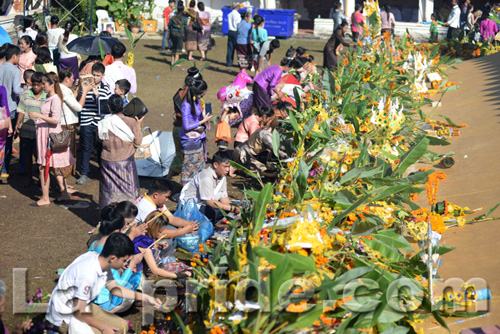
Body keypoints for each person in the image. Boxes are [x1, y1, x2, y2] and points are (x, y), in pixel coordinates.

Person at [46, 233, 162, 334]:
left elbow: (115, 288)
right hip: (67, 315)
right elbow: (78, 312)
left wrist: (146, 297)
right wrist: (103, 327)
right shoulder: (87, 274)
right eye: (124, 260)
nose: (125, 265)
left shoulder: (102, 261)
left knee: (122, 326)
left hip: (84, 306)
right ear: (113, 258)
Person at [88, 206, 145, 314]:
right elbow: (118, 286)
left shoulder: (94, 244)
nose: (124, 232)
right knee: (136, 279)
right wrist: (132, 264)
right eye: (124, 228)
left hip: (90, 293)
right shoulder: (108, 253)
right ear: (116, 230)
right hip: (101, 300)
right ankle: (109, 312)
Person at [29, 72, 74, 206]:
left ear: (52, 84)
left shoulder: (55, 99)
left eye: (44, 83)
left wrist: (39, 115)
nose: (42, 86)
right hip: (47, 134)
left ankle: (45, 197)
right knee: (55, 167)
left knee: (44, 167)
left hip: (49, 136)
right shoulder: (52, 98)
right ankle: (63, 193)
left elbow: (55, 120)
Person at [98, 94, 144, 211]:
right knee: (129, 189)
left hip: (107, 160)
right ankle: (129, 212)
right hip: (125, 160)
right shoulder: (131, 121)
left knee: (109, 190)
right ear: (123, 105)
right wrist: (138, 125)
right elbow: (138, 141)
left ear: (109, 108)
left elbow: (99, 139)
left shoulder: (103, 122)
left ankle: (110, 212)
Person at [181, 151, 240, 223]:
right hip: (193, 207)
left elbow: (223, 197)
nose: (227, 170)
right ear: (215, 164)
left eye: (229, 167)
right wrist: (231, 208)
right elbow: (210, 202)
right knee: (216, 212)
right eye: (225, 166)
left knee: (228, 208)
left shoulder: (222, 175)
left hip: (206, 203)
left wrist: (233, 207)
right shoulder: (206, 177)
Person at [77, 62, 112, 185]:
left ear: (103, 75)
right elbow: (81, 103)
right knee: (86, 148)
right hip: (86, 121)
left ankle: (102, 172)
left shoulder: (106, 89)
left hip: (100, 124)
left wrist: (97, 97)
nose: (95, 78)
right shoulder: (85, 86)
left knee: (101, 148)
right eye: (93, 75)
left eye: (97, 75)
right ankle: (84, 173)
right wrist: (84, 90)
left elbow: (105, 110)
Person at [133, 211, 192, 279]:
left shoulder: (140, 233)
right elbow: (155, 270)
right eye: (160, 231)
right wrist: (179, 275)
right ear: (153, 228)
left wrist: (157, 244)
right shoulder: (144, 245)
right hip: (137, 275)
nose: (161, 233)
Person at [167, 67, 202, 180]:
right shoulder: (192, 98)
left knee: (179, 156)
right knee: (188, 160)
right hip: (187, 132)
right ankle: (185, 186)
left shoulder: (178, 93)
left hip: (176, 128)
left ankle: (167, 179)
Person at [15, 72, 46, 186]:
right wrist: (17, 124)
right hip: (26, 131)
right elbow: (21, 111)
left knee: (39, 156)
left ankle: (41, 177)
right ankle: (29, 177)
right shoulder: (26, 94)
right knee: (27, 155)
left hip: (41, 132)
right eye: (34, 85)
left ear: (42, 84)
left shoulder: (47, 96)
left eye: (38, 85)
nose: (36, 87)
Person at [180, 78, 212, 184]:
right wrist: (202, 121)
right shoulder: (186, 105)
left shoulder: (196, 100)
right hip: (189, 140)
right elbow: (186, 126)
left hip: (197, 137)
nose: (202, 97)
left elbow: (198, 114)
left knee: (198, 166)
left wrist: (204, 116)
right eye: (201, 95)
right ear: (195, 93)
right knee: (188, 168)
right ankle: (184, 195)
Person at [0, 45, 23, 178]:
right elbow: (16, 90)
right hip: (10, 109)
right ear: (14, 56)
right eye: (18, 56)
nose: (19, 58)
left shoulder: (0, 67)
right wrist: (25, 91)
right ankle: (4, 169)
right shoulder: (15, 71)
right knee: (8, 140)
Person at [59, 68, 82, 177]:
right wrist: (85, 91)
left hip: (62, 123)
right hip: (67, 125)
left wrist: (77, 89)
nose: (73, 80)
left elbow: (71, 99)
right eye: (72, 78)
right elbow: (78, 107)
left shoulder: (59, 88)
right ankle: (65, 175)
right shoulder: (65, 90)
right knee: (68, 150)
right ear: (67, 79)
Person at [0, 85, 12, 181]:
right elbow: (5, 107)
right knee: (1, 148)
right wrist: (10, 126)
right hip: (1, 124)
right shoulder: (1, 88)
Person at [226, 2, 241, 67]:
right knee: (238, 48)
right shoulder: (237, 15)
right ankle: (240, 63)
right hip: (235, 31)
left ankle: (229, 63)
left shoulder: (229, 14)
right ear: (237, 7)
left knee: (230, 48)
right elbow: (237, 24)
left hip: (230, 31)